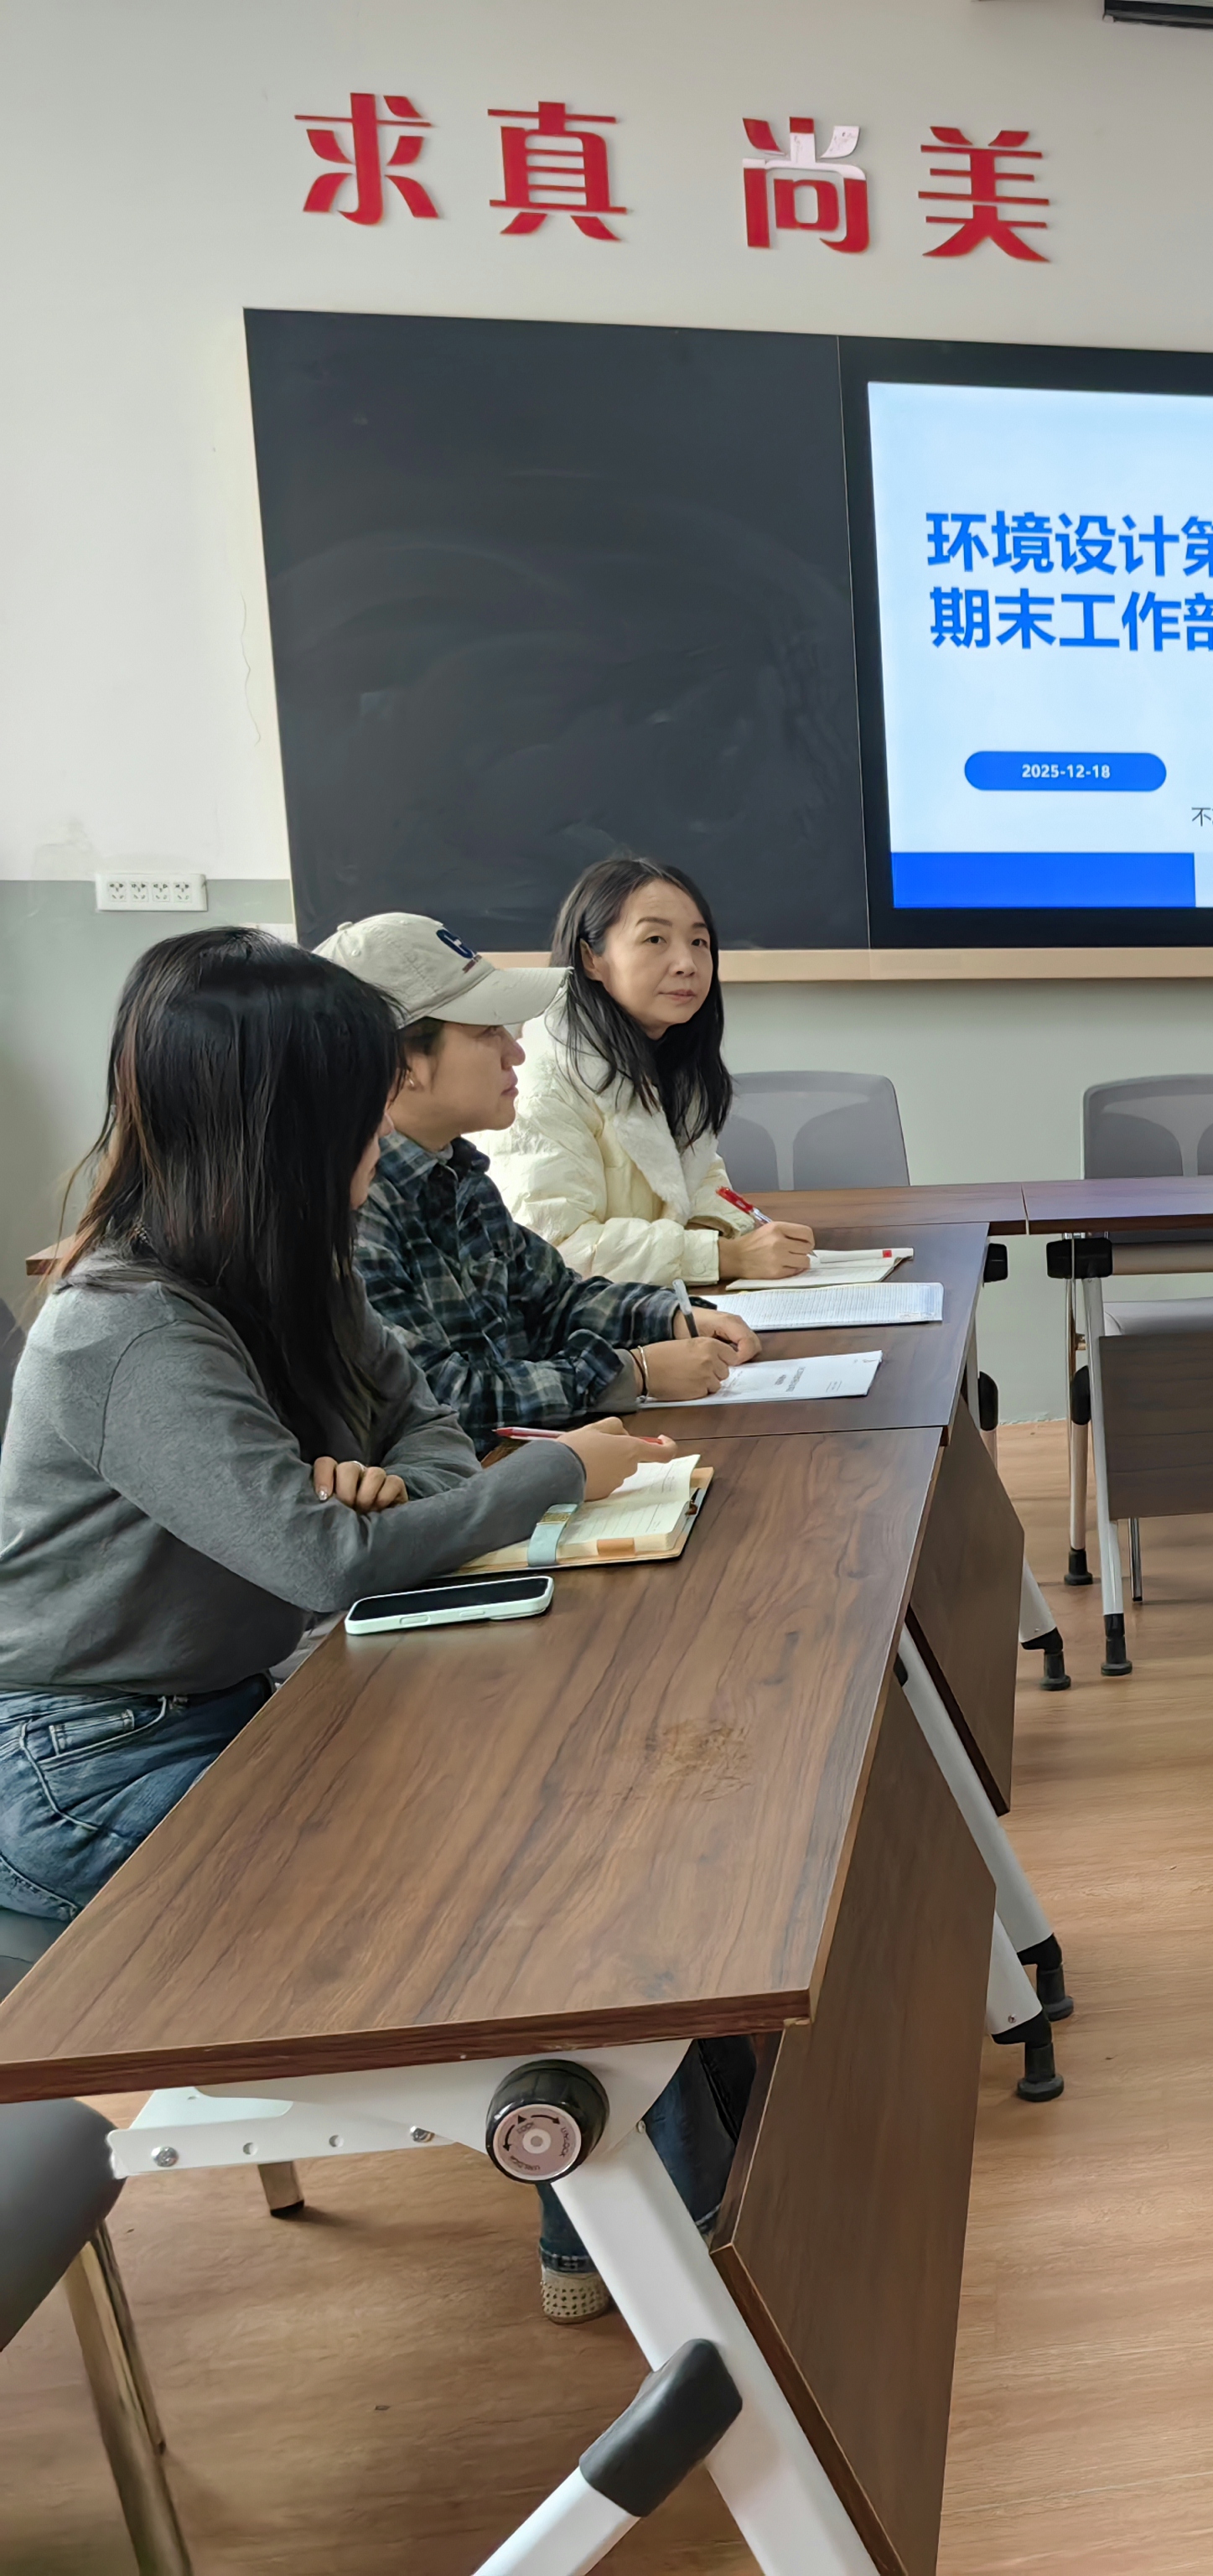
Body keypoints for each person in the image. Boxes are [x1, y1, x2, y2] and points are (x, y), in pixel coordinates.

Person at [0, 931, 739, 2329]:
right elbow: (329, 1552)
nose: (378, 1132)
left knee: (577, 1822)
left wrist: (401, 1490)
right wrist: (554, 1472)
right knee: (513, 1892)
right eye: (356, 1107)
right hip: (85, 1764)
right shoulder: (129, 1329)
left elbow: (425, 1427)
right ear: (286, 1128)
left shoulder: (289, 1269)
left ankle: (671, 2205)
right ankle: (669, 2254)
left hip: (234, 1696)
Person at [319, 912, 762, 1428]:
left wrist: (669, 1318)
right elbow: (440, 1397)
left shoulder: (459, 1173)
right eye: (488, 1031)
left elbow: (553, 1300)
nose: (515, 1052)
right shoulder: (354, 1211)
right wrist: (633, 1372)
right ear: (401, 1066)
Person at [496, 856, 816, 1287]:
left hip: (646, 1307)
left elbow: (700, 1186)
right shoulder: (542, 1077)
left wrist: (721, 1233)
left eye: (699, 942)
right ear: (591, 958)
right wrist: (724, 1256)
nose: (687, 963)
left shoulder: (667, 1055)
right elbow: (554, 1249)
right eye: (655, 939)